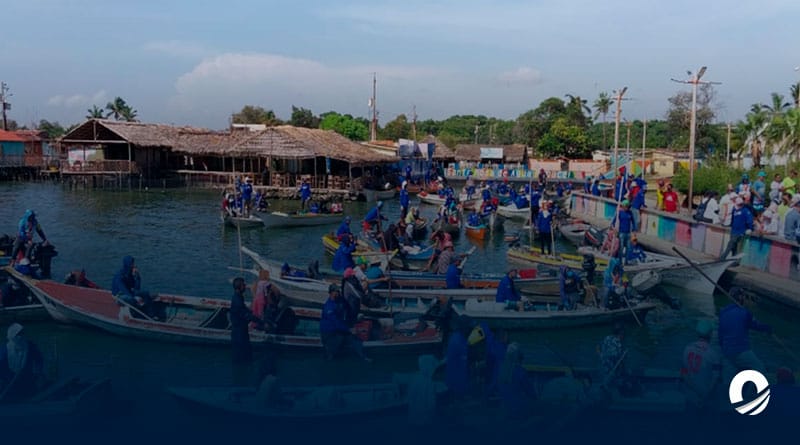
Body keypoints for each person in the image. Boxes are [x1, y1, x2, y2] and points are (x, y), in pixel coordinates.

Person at [718, 287, 770, 376]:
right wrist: (767, 328)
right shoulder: (745, 313)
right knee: (760, 369)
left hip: (726, 352)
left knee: (727, 379)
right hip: (741, 351)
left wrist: (724, 349)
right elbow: (755, 326)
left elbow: (720, 336)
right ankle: (751, 390)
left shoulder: (722, 312)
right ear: (740, 298)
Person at [320, 284, 370, 362]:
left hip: (340, 329)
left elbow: (348, 308)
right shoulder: (329, 307)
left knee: (355, 340)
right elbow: (336, 323)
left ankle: (363, 357)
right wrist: (349, 329)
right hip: (329, 333)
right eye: (336, 291)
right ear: (331, 293)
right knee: (332, 352)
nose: (338, 293)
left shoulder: (341, 300)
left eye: (338, 291)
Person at [681, 319, 722, 410]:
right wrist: (705, 395)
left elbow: (684, 373)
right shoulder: (713, 354)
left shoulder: (687, 349)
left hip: (690, 397)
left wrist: (696, 391)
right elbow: (715, 379)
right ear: (710, 334)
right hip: (707, 399)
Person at [0, 323, 44, 401]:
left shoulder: (30, 346)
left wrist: (39, 373)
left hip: (27, 381)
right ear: (12, 336)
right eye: (18, 334)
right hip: (9, 383)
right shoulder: (4, 350)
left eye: (22, 333)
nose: (21, 336)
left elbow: (39, 359)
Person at [230, 277, 262, 364]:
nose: (245, 286)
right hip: (239, 332)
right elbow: (246, 315)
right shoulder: (237, 300)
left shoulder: (238, 297)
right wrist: (260, 321)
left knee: (243, 355)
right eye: (243, 285)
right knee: (243, 356)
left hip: (240, 330)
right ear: (240, 287)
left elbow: (246, 310)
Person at [599, 323, 627, 389]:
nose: (625, 333)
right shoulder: (618, 344)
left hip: (603, 367)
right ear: (621, 332)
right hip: (612, 371)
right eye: (624, 331)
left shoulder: (607, 337)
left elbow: (597, 347)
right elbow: (619, 362)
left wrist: (601, 356)